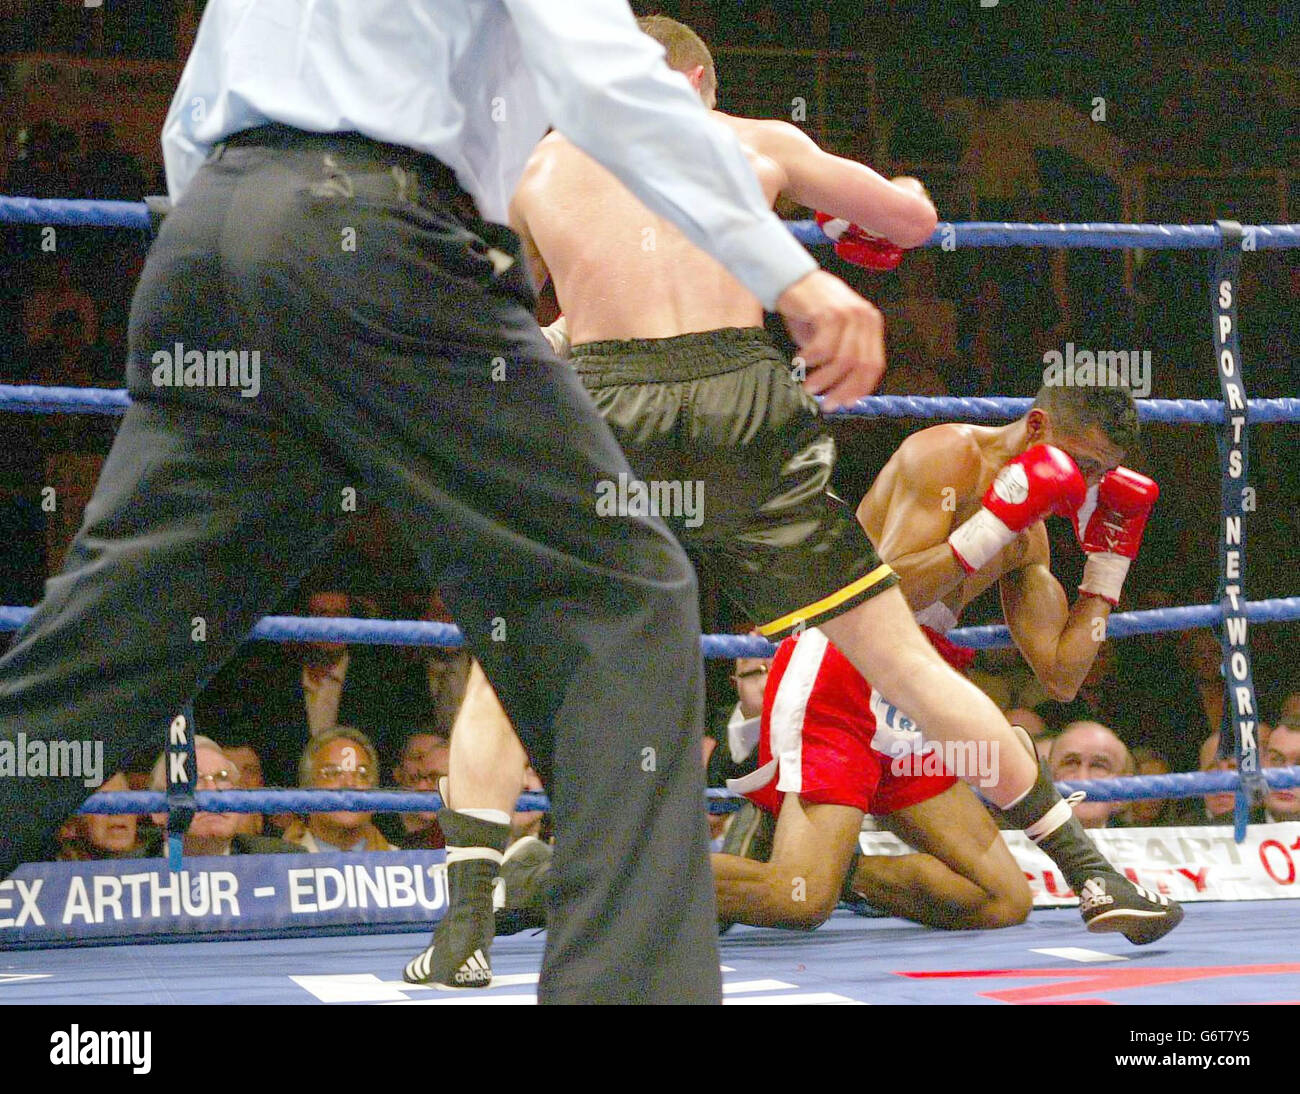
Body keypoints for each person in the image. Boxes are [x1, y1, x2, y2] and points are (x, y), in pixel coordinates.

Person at [0, 0, 889, 1006]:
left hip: (210, 241)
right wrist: (790, 272)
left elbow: (194, 108)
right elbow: (609, 75)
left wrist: (254, 276)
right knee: (621, 601)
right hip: (380, 242)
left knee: (99, 644)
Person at [412, 15, 1173, 988]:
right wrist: (872, 223)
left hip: (610, 403)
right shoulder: (755, 140)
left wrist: (577, 349)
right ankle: (1093, 870)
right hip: (744, 401)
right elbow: (908, 218)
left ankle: (464, 928)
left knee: (506, 664)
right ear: (699, 83)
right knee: (897, 654)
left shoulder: (538, 168)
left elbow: (494, 320)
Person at [710, 383, 1180, 935]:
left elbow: (1061, 675)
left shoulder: (1030, 537)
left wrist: (1107, 567)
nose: (1084, 484)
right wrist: (989, 528)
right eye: (1078, 462)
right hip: (842, 670)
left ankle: (839, 866)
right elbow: (882, 598)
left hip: (920, 704)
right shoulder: (945, 456)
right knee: (800, 903)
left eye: (1099, 473)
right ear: (1035, 428)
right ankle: (620, 875)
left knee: (1001, 901)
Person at [281, 728, 396, 852]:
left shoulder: (408, 864)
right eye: (332, 773)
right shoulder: (274, 864)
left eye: (361, 774)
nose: (349, 783)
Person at [1048, 721, 1134, 829]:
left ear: (1123, 793)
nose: (1082, 779)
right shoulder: (1020, 842)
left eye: (1098, 766)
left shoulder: (1144, 844)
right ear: (1048, 776)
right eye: (1071, 763)